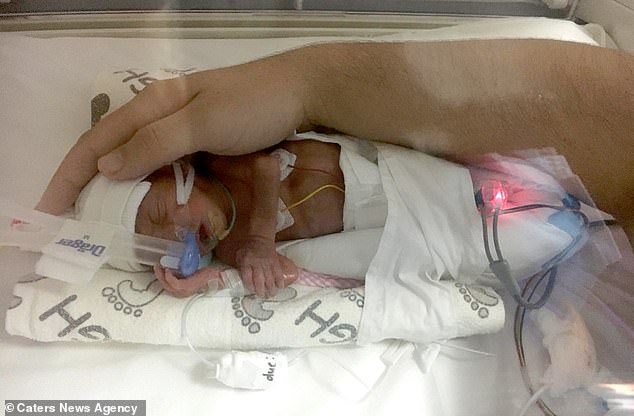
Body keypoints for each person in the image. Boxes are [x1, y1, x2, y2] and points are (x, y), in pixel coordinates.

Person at [37, 39, 634, 245]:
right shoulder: (223, 242)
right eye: (158, 245)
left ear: (180, 174)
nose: (175, 234)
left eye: (160, 216)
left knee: (479, 209)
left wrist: (309, 84)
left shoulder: (232, 165)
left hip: (397, 181)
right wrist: (307, 82)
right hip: (398, 224)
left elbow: (266, 171)